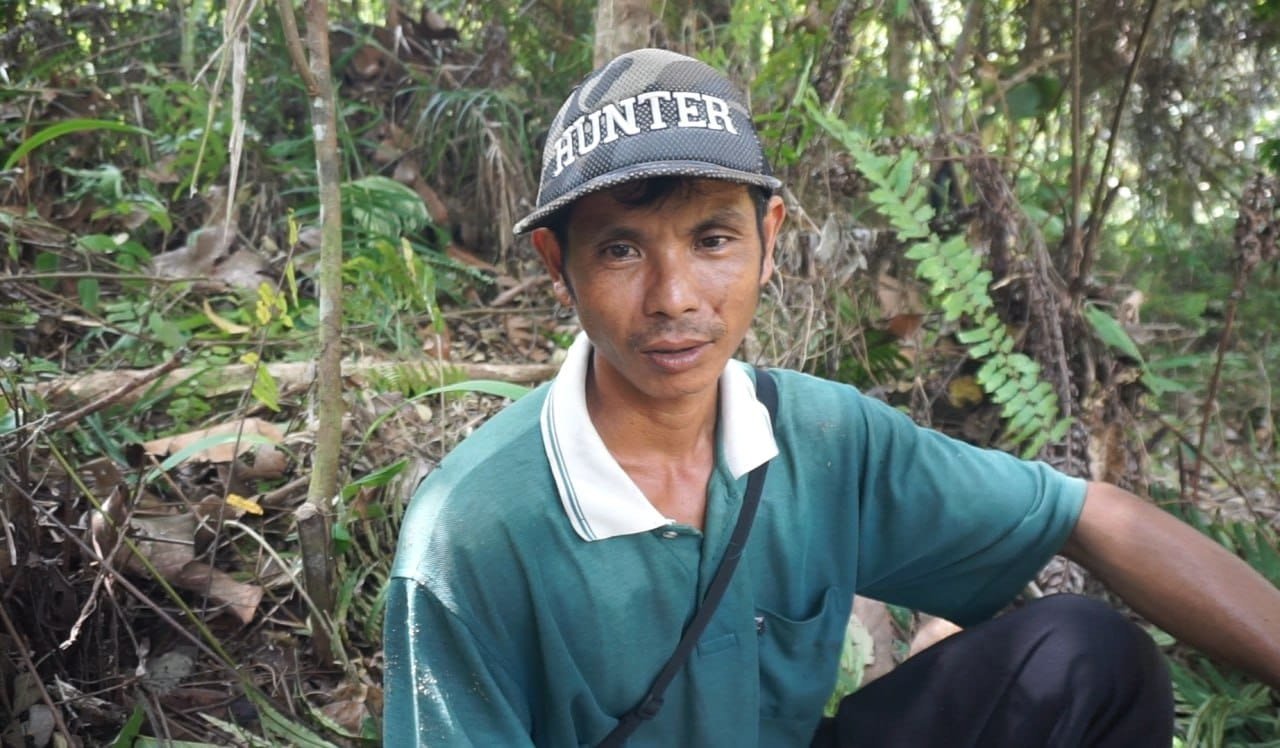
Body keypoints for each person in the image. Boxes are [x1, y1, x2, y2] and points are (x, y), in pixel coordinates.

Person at [383, 48, 1280, 747]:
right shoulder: (474, 532)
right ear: (558, 265)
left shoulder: (820, 436)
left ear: (769, 240)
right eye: (621, 249)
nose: (675, 298)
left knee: (1085, 656)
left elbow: (1087, 514)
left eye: (712, 239)